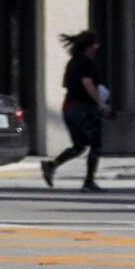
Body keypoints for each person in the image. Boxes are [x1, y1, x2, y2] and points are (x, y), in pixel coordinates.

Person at [40, 33, 110, 192]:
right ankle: (89, 181)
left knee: (79, 146)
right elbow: (87, 83)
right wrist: (101, 104)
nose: (96, 47)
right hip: (84, 109)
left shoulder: (72, 63)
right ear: (88, 47)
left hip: (69, 108)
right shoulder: (87, 64)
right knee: (95, 145)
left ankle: (51, 165)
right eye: (94, 44)